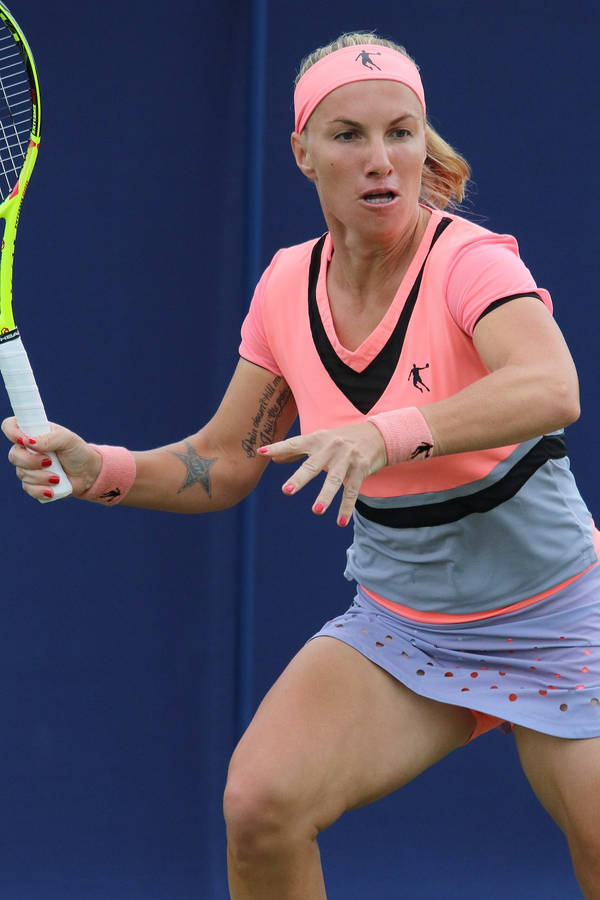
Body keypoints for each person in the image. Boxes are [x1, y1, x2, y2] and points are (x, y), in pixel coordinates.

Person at [3, 31, 600, 900]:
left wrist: (387, 433)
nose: (381, 160)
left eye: (402, 132)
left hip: (558, 620)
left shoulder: (471, 261)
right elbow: (223, 460)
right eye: (348, 135)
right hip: (403, 627)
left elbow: (552, 385)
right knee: (261, 804)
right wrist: (99, 467)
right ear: (303, 153)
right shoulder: (286, 289)